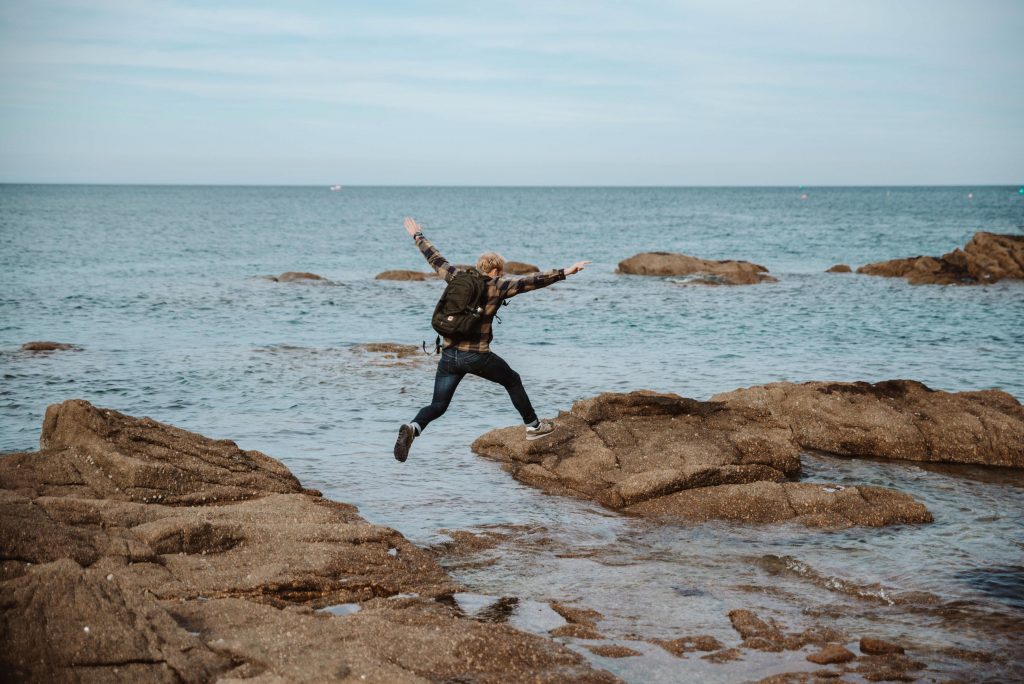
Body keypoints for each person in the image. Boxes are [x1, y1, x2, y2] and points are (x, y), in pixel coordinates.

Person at [394, 217, 590, 462]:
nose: (503, 274)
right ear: (495, 271)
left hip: (449, 355)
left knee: (438, 405)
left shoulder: (457, 277)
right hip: (476, 356)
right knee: (512, 380)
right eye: (502, 270)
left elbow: (435, 259)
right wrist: (566, 272)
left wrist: (418, 236)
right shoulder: (498, 286)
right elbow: (532, 281)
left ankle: (413, 428)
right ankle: (533, 426)